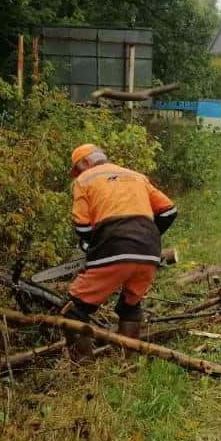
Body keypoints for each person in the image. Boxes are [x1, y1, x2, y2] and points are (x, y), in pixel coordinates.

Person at [61, 143, 177, 345]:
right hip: (149, 251)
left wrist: (95, 246)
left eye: (77, 168)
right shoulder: (135, 175)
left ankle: (83, 370)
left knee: (74, 310)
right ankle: (129, 361)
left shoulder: (84, 180)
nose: (77, 174)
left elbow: (82, 227)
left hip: (114, 246)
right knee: (130, 306)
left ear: (87, 162)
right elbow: (168, 211)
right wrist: (145, 238)